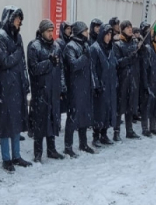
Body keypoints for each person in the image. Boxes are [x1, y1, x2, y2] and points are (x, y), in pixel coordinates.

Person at [0, 6, 32, 172]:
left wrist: (25, 80)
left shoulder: (18, 37)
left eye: (20, 19)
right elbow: (4, 61)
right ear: (9, 18)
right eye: (16, 18)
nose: (19, 21)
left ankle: (16, 156)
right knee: (5, 124)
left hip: (17, 86)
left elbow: (22, 63)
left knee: (16, 122)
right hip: (5, 87)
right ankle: (6, 158)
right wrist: (17, 53)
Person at [27, 20, 65, 162]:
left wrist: (62, 87)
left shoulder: (56, 46)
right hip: (40, 91)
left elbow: (60, 69)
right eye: (48, 31)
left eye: (52, 30)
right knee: (40, 122)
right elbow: (33, 69)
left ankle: (51, 149)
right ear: (42, 31)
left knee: (53, 119)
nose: (51, 33)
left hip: (54, 90)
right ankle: (38, 152)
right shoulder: (34, 46)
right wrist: (48, 62)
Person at [64, 21, 95, 154]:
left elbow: (90, 67)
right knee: (73, 117)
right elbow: (74, 65)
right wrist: (84, 56)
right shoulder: (70, 47)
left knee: (84, 115)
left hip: (85, 86)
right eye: (85, 30)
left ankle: (83, 143)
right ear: (78, 32)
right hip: (75, 87)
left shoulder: (86, 45)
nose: (87, 32)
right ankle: (68, 146)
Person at [90, 23, 118, 145]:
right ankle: (96, 135)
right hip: (101, 86)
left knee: (108, 110)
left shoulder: (111, 49)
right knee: (99, 111)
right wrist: (96, 84)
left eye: (110, 34)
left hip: (110, 85)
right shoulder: (95, 48)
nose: (108, 37)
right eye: (106, 34)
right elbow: (92, 68)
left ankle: (104, 134)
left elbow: (114, 65)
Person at [113, 20, 141, 140]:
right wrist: (129, 58)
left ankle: (129, 130)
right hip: (122, 78)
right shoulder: (117, 44)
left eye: (131, 27)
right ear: (122, 29)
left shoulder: (134, 43)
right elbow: (117, 63)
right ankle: (116, 132)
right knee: (120, 106)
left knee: (130, 105)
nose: (130, 29)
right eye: (127, 27)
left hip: (133, 78)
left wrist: (141, 47)